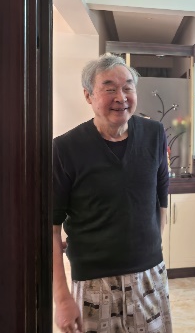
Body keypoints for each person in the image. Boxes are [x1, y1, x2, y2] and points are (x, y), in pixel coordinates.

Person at [52, 53, 172, 333]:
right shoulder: (65, 148)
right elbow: (51, 227)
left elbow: (161, 198)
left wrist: (150, 250)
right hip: (94, 284)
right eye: (109, 89)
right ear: (88, 95)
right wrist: (61, 297)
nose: (121, 97)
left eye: (128, 87)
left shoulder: (154, 134)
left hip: (149, 277)